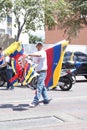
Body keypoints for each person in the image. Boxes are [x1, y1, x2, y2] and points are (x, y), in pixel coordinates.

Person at [28, 42, 50, 107]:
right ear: (36, 46)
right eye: (38, 45)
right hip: (37, 72)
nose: (39, 46)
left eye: (40, 45)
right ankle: (46, 99)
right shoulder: (35, 53)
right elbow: (32, 61)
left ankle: (35, 101)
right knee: (42, 86)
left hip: (42, 71)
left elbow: (39, 55)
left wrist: (29, 54)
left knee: (39, 86)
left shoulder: (43, 52)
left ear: (42, 46)